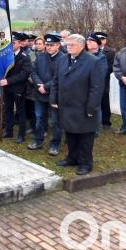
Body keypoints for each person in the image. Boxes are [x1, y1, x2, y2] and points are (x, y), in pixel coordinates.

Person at [50, 34, 104, 175]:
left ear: (81, 46)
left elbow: (97, 88)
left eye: (72, 45)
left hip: (84, 105)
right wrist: (54, 99)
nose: (69, 47)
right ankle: (72, 158)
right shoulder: (62, 60)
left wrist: (92, 107)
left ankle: (86, 163)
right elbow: (56, 81)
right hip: (66, 105)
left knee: (85, 136)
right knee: (70, 134)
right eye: (68, 45)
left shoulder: (93, 62)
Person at [28, 34, 64, 155]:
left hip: (54, 95)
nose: (48, 47)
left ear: (58, 45)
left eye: (51, 45)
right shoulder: (40, 57)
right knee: (39, 118)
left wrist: (46, 86)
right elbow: (33, 72)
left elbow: (59, 77)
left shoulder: (63, 58)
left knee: (56, 121)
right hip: (40, 93)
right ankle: (38, 141)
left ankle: (55, 144)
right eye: (47, 45)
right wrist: (39, 85)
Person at [0, 32, 32, 143]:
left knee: (20, 111)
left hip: (18, 88)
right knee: (8, 109)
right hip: (7, 88)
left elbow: (24, 74)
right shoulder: (6, 55)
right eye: (10, 43)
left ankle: (21, 135)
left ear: (20, 44)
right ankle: (9, 131)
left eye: (13, 43)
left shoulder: (25, 57)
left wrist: (8, 81)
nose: (11, 45)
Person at [95, 31, 115, 129]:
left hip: (104, 80)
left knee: (105, 100)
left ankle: (106, 122)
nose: (100, 41)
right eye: (98, 39)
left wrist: (101, 75)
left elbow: (111, 67)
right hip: (92, 80)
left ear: (105, 40)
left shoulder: (111, 51)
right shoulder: (90, 50)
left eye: (102, 39)